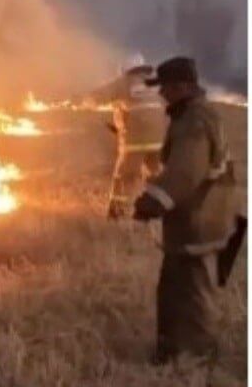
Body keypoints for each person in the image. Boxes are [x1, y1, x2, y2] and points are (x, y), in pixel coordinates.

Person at [132, 56, 240, 366]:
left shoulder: (194, 120)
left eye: (165, 87)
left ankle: (196, 355)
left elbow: (185, 172)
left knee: (192, 293)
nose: (161, 93)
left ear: (182, 86)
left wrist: (153, 201)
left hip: (200, 221)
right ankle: (174, 348)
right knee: (175, 287)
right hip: (199, 219)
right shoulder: (193, 115)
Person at [84, 55, 167, 218]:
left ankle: (117, 212)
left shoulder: (125, 83)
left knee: (125, 176)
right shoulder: (153, 84)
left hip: (136, 139)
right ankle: (162, 209)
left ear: (126, 71)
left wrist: (82, 101)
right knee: (157, 174)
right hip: (159, 138)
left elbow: (98, 96)